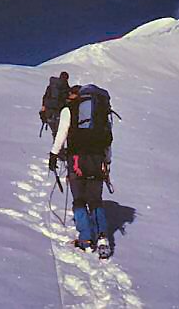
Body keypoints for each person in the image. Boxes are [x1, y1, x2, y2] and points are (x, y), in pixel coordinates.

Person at [48, 85, 112, 255]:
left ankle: (86, 238)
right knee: (96, 199)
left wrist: (54, 154)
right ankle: (103, 237)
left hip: (76, 159)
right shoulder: (101, 113)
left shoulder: (68, 110)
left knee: (79, 199)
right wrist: (107, 161)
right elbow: (108, 140)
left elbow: (61, 134)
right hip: (97, 159)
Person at [40, 71, 70, 139]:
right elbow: (66, 98)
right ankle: (58, 147)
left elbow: (45, 96)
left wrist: (44, 107)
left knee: (54, 130)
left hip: (49, 110)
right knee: (59, 130)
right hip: (58, 110)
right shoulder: (65, 86)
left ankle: (56, 144)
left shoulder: (52, 85)